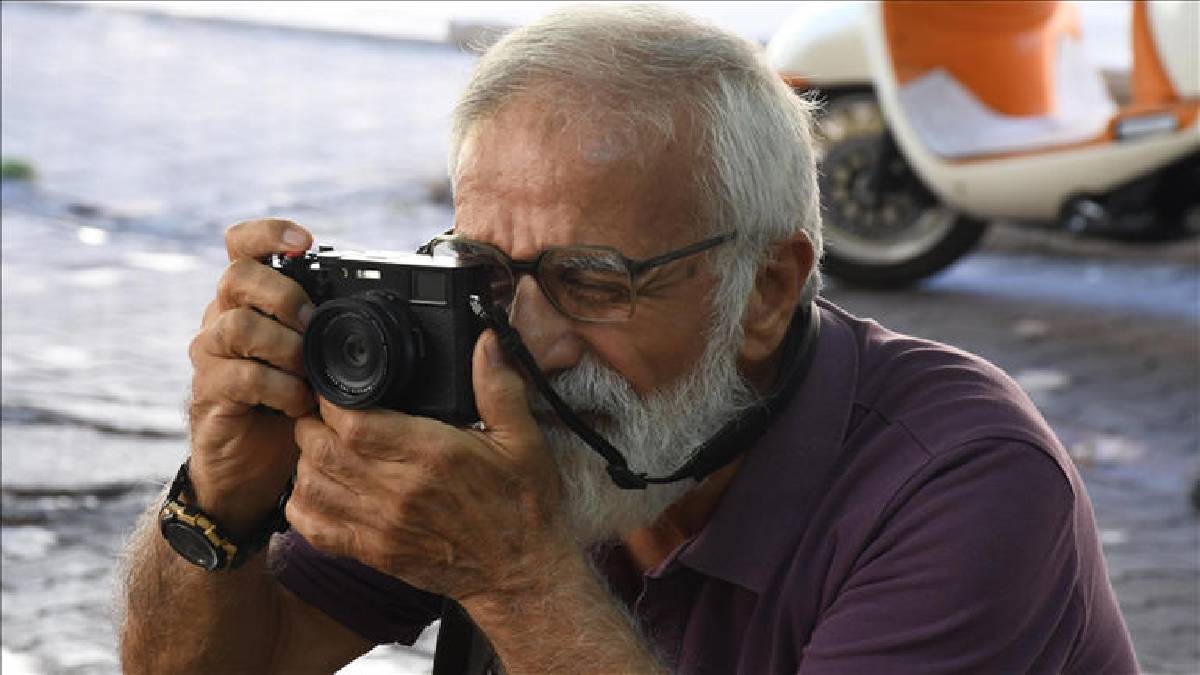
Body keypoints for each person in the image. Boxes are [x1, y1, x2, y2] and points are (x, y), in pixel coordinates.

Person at [119, 5, 1137, 673]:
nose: (530, 341)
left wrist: (514, 578)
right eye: (484, 271)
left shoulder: (965, 482)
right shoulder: (483, 394)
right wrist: (218, 497)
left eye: (591, 281)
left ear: (767, 288)